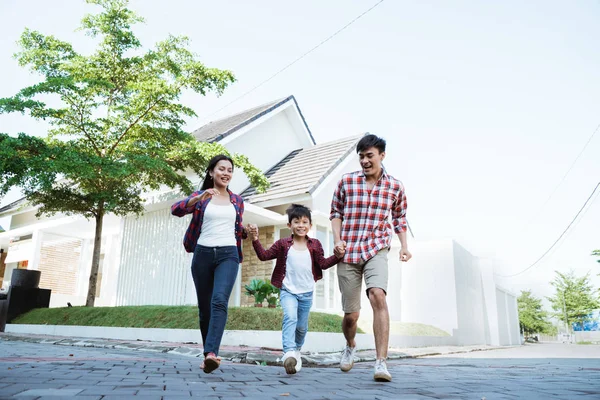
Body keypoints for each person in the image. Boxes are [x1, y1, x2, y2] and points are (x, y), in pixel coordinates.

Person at [330, 134, 412, 382]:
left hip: (377, 247)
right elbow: (335, 213)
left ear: (382, 155)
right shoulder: (347, 182)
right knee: (351, 315)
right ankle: (351, 344)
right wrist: (337, 240)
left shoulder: (395, 186)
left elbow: (399, 218)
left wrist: (404, 246)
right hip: (349, 252)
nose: (365, 161)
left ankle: (381, 362)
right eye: (361, 157)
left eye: (370, 156)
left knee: (378, 295)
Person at [171, 154, 247, 374]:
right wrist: (199, 197)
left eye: (230, 170)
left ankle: (212, 352)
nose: (226, 173)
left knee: (219, 300)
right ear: (212, 172)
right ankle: (208, 356)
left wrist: (247, 232)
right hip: (202, 253)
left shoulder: (237, 201)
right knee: (205, 309)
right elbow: (176, 210)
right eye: (221, 169)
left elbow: (235, 229)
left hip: (229, 254)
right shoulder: (201, 196)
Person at [247, 204, 343, 375]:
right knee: (290, 317)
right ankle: (288, 353)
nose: (301, 225)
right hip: (288, 291)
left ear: (310, 226)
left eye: (305, 222)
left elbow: (323, 264)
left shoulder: (315, 245)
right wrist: (255, 239)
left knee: (302, 327)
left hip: (307, 292)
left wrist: (337, 257)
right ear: (289, 225)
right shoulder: (283, 244)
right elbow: (264, 256)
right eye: (296, 222)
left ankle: (296, 351)